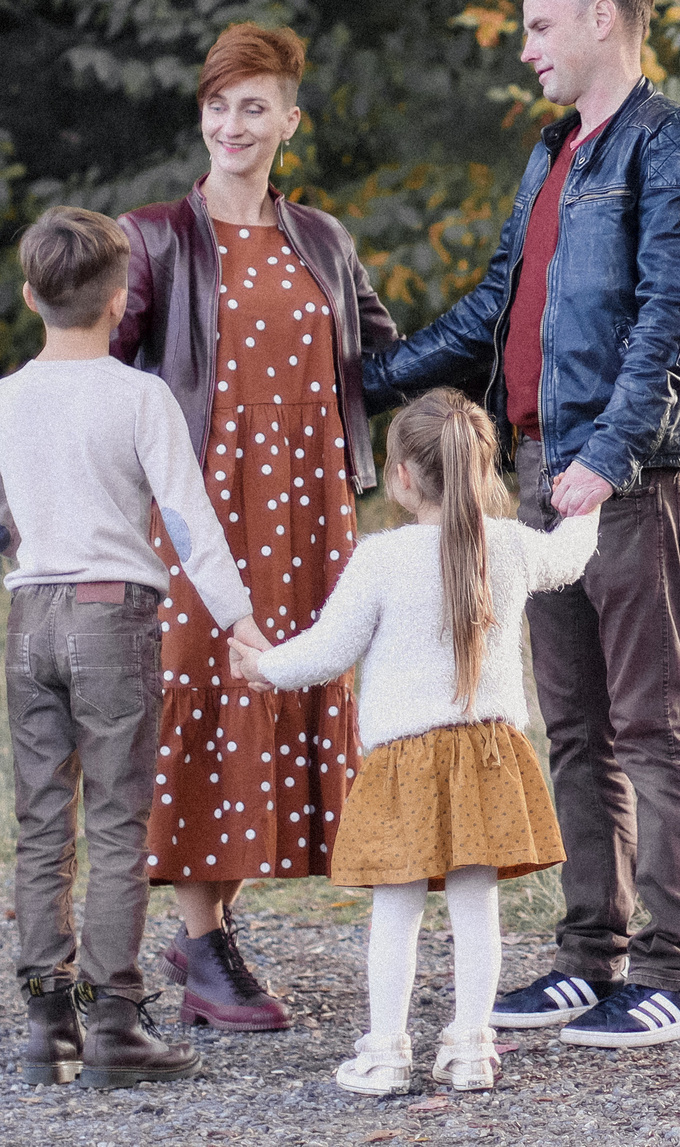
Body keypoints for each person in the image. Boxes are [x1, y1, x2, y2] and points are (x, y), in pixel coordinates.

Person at [365, 0, 680, 1049]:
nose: (525, 49)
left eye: (539, 27)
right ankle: (591, 954)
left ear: (606, 22)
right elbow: (496, 305)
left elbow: (675, 316)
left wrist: (609, 457)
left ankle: (679, 973)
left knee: (651, 721)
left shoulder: (672, 149)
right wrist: (374, 374)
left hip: (626, 477)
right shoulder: (554, 154)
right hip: (537, 467)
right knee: (571, 724)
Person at [113, 22, 400, 1030]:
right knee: (203, 688)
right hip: (200, 512)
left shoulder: (321, 238)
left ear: (289, 120)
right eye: (216, 103)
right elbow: (97, 374)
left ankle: (212, 936)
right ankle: (200, 948)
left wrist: (489, 354)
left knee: (284, 688)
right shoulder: (151, 235)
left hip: (311, 506)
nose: (231, 123)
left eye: (252, 105)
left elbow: (379, 356)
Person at [0, 205, 269, 1089]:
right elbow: (187, 519)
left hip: (31, 619)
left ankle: (45, 1022)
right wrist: (239, 619)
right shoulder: (140, 396)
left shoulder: (4, 397)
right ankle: (116, 1024)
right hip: (114, 616)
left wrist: (32, 549)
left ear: (31, 297)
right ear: (120, 294)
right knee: (115, 822)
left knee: (39, 821)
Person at [228, 389, 597, 1093]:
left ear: (400, 476)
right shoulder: (513, 544)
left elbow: (326, 652)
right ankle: (469, 1046)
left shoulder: (381, 557)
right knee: (475, 906)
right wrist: (591, 489)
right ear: (487, 470)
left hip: (404, 761)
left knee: (395, 911)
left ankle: (387, 1051)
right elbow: (571, 557)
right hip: (487, 754)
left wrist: (261, 665)